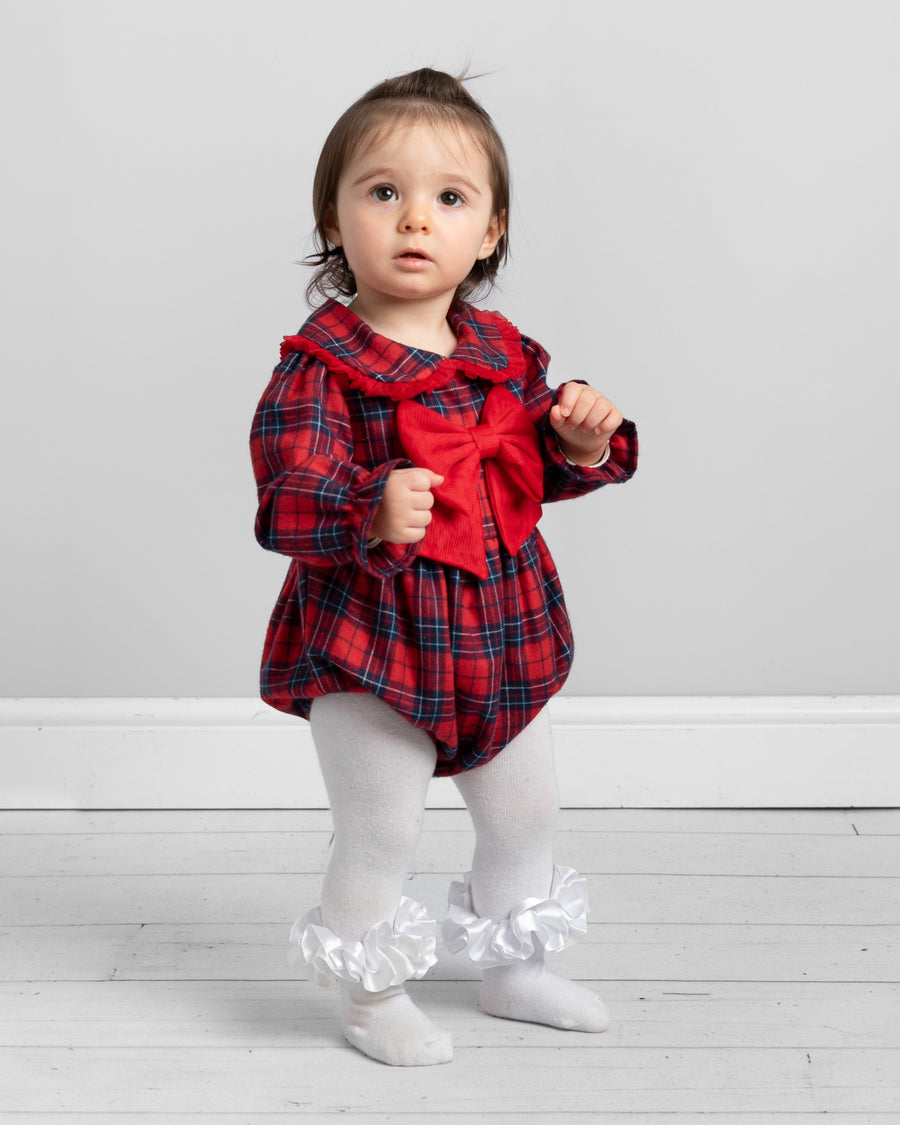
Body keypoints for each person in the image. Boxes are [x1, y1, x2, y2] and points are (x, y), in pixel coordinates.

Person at [250, 67, 638, 1067]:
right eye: (383, 192)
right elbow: (286, 497)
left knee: (526, 810)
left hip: (501, 634)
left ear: (492, 230)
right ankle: (371, 994)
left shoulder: (507, 356)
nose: (416, 218)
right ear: (333, 221)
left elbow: (530, 475)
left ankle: (513, 966)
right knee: (382, 832)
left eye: (450, 198)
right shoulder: (320, 369)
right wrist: (363, 504)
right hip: (373, 642)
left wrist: (582, 443)